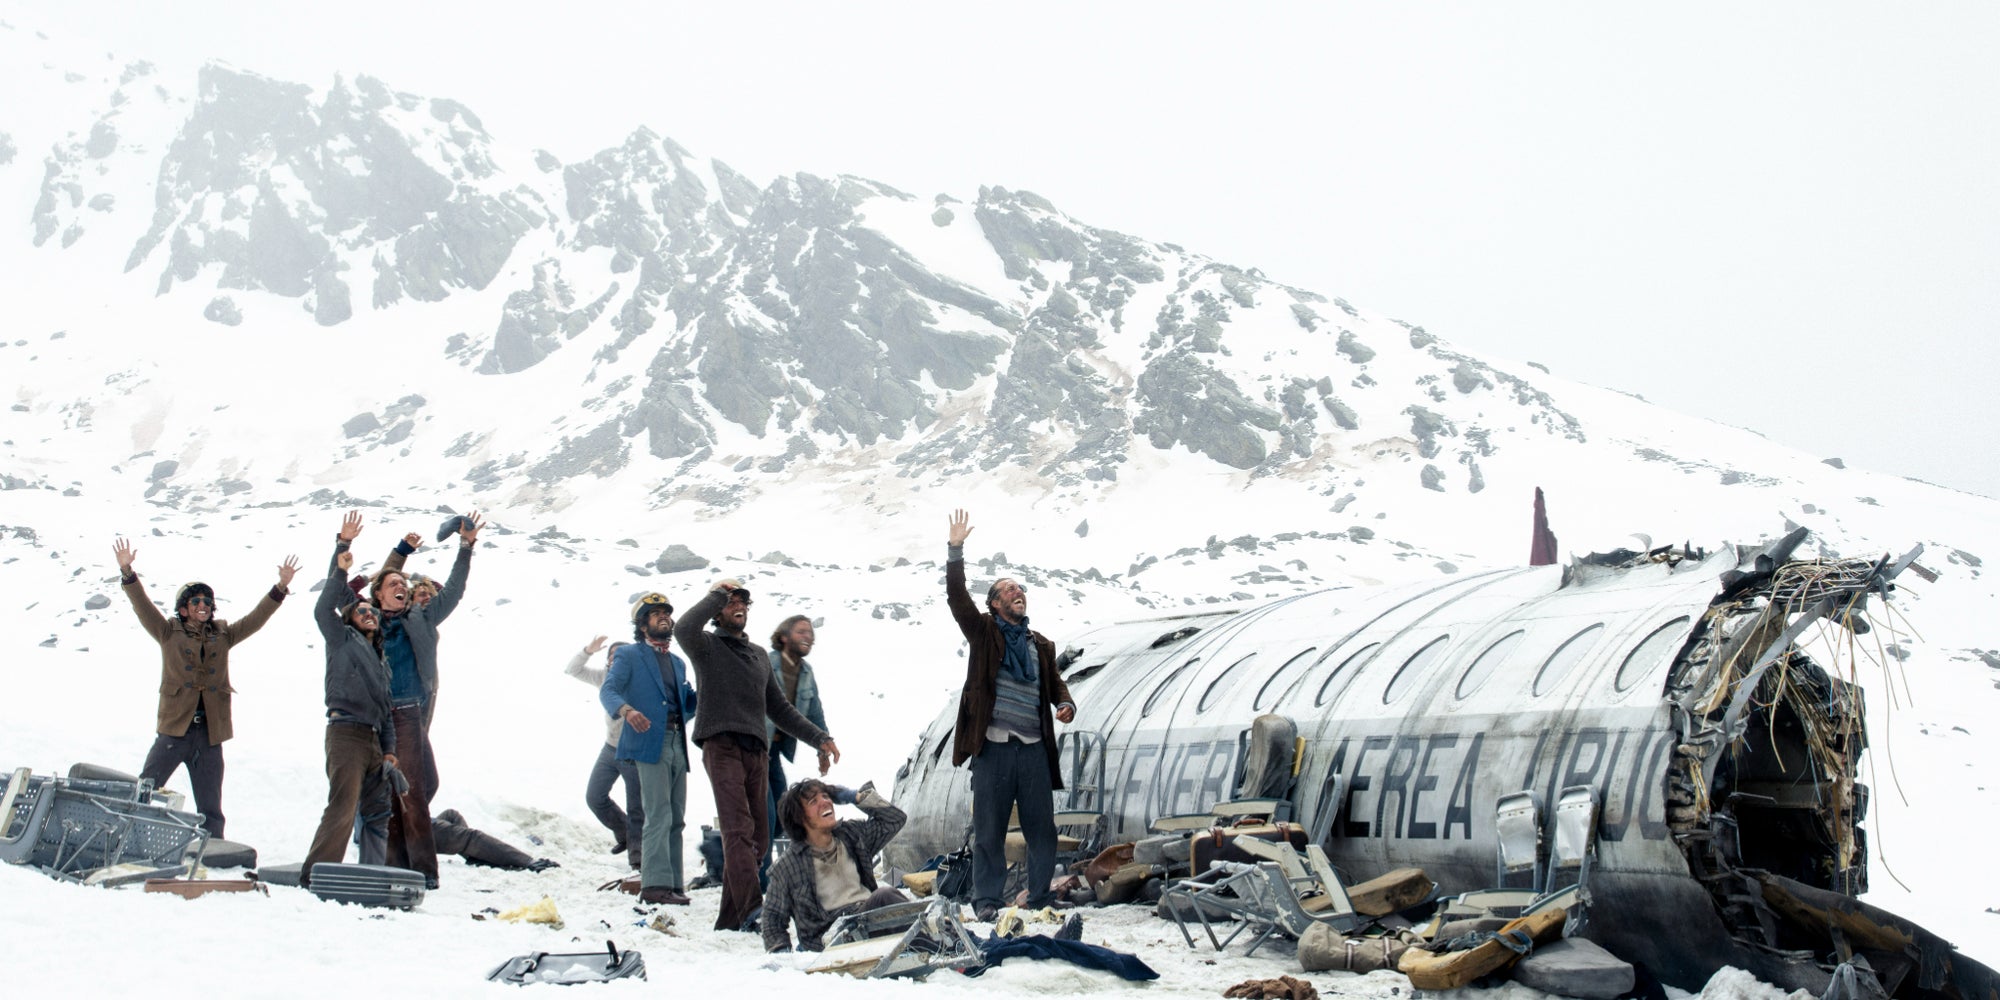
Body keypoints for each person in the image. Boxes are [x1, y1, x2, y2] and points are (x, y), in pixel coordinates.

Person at [676, 578, 840, 931]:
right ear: (718, 611)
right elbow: (684, 626)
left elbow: (779, 708)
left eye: (744, 602)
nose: (739, 606)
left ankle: (731, 918)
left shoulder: (757, 657)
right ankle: (754, 909)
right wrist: (717, 593)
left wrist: (819, 738)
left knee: (761, 838)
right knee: (738, 831)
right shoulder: (705, 646)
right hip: (722, 745)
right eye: (731, 602)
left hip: (757, 751)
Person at [111, 538, 298, 839]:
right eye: (196, 601)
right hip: (175, 730)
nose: (203, 605)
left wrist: (280, 588)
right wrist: (127, 572)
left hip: (210, 734)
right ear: (183, 609)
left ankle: (213, 852)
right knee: (145, 789)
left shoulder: (223, 634)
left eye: (207, 602)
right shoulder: (167, 632)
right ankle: (123, 838)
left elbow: (256, 619)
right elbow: (142, 606)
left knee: (211, 806)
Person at [944, 509, 1077, 921]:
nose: (1018, 593)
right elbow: (956, 597)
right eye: (1008, 590)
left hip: (1033, 750)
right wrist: (955, 550)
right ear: (995, 603)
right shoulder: (984, 633)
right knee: (990, 830)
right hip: (995, 749)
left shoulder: (1040, 644)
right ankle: (987, 901)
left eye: (1021, 589)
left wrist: (1065, 702)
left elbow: (1053, 682)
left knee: (1042, 828)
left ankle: (1039, 895)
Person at [371, 516, 482, 887]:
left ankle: (409, 862)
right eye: (395, 585)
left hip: (410, 712)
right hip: (381, 714)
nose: (401, 588)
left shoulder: (419, 616)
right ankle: (409, 866)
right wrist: (400, 553)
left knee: (419, 786)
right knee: (405, 790)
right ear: (379, 595)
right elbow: (369, 583)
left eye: (405, 584)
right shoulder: (366, 619)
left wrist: (466, 547)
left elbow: (452, 590)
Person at [302, 511, 398, 887]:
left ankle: (371, 873)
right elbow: (323, 606)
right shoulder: (340, 640)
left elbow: (386, 709)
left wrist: (389, 748)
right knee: (342, 806)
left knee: (377, 810)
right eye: (361, 610)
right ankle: (316, 874)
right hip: (345, 733)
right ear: (350, 620)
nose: (368, 612)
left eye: (372, 610)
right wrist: (342, 553)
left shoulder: (380, 659)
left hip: (373, 737)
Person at [601, 593, 698, 905]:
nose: (664, 618)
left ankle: (674, 883)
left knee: (677, 816)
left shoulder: (678, 662)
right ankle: (655, 886)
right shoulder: (629, 655)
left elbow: (686, 706)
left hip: (676, 742)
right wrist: (628, 712)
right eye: (656, 614)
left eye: (666, 613)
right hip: (648, 743)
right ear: (643, 625)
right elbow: (609, 690)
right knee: (658, 813)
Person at [762, 779, 907, 953]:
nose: (825, 802)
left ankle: (935, 937)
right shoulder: (787, 866)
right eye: (813, 801)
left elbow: (895, 820)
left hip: (870, 918)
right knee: (885, 895)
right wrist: (782, 952)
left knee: (902, 907)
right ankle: (939, 942)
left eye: (826, 796)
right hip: (832, 938)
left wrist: (855, 796)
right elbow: (772, 918)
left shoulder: (851, 836)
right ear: (799, 817)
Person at [564, 635, 642, 870]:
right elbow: (573, 670)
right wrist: (588, 650)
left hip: (633, 751)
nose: (613, 660)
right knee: (595, 797)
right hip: (610, 748)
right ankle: (625, 834)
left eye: (619, 656)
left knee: (637, 807)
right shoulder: (604, 678)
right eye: (610, 656)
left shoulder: (638, 680)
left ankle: (639, 859)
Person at [761, 614, 829, 883]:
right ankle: (762, 881)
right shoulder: (764, 663)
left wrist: (823, 745)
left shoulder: (806, 672)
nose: (808, 637)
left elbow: (815, 712)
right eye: (801, 631)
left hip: (775, 752)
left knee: (781, 814)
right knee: (763, 814)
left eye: (810, 633)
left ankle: (722, 855)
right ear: (784, 636)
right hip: (755, 748)